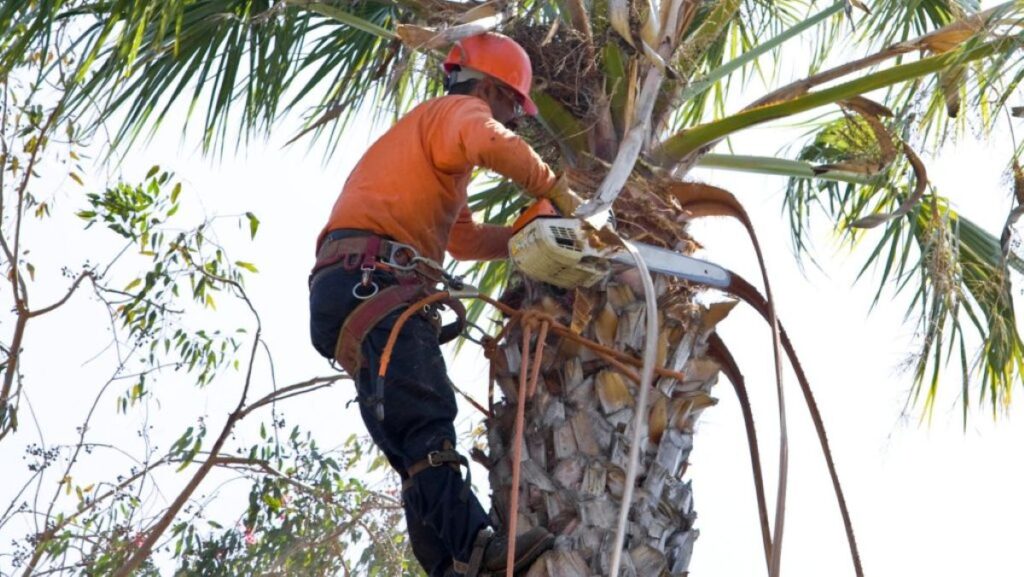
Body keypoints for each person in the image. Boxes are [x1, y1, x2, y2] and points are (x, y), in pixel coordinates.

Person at [307, 32, 582, 577]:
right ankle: (478, 549)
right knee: (428, 423)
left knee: (411, 445)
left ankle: (447, 566)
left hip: (350, 288)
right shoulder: (456, 112)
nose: (516, 119)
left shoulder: (432, 154)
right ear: (489, 88)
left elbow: (463, 241)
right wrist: (561, 194)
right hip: (375, 282)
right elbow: (492, 140)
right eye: (512, 104)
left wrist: (527, 235)